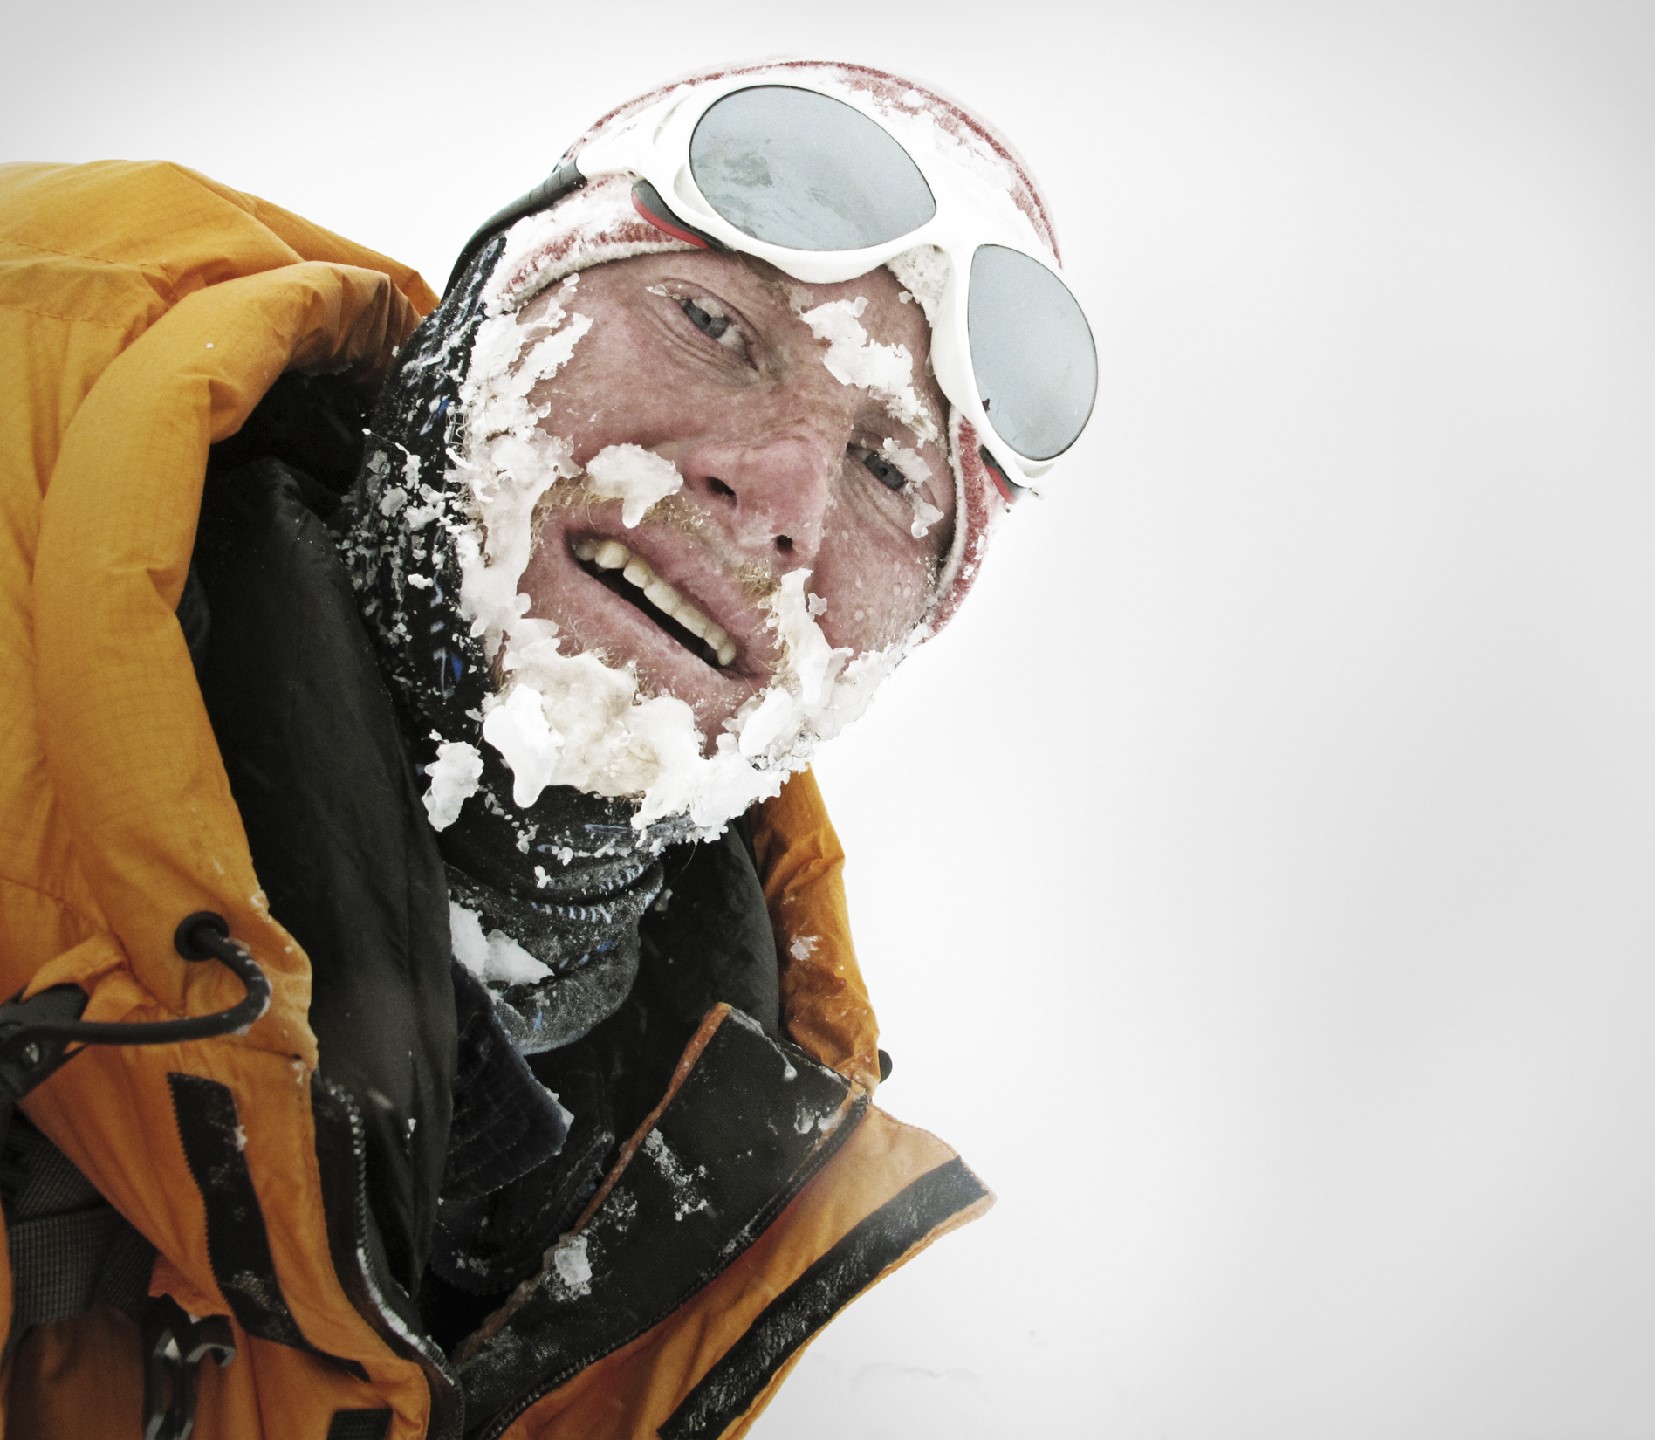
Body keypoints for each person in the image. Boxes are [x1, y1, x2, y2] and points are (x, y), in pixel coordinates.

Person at [0, 60, 1095, 1438]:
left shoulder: (687, 1235)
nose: (781, 499)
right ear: (487, 317)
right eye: (712, 322)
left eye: (891, 473)